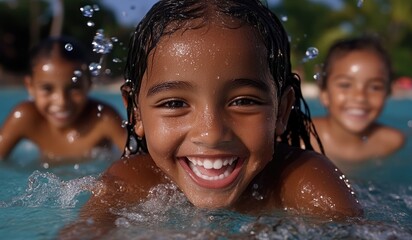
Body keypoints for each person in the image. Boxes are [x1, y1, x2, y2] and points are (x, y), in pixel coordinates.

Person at [60, 0, 363, 237]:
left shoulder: (302, 181)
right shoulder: (133, 181)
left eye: (244, 101)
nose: (211, 132)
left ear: (282, 110)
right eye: (175, 103)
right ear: (136, 112)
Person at [0, 36, 127, 166]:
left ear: (88, 84)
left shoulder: (103, 119)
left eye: (74, 88)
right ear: (30, 86)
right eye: (47, 89)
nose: (61, 102)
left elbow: (137, 159)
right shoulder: (25, 117)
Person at [311, 36, 405, 165]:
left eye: (375, 87)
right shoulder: (301, 137)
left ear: (387, 93)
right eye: (345, 85)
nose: (360, 97)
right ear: (324, 93)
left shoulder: (391, 143)